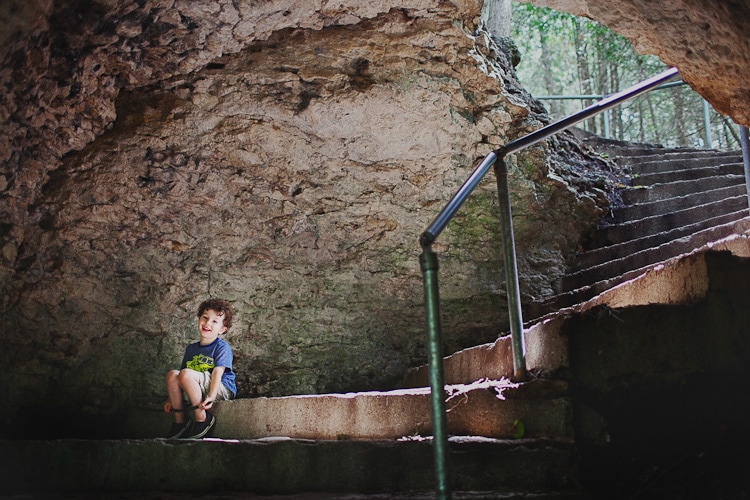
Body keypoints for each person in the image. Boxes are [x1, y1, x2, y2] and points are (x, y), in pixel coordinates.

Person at [163, 298, 237, 439]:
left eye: (214, 321)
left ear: (222, 329)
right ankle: (180, 422)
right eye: (205, 318)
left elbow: (217, 373)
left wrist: (211, 396)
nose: (208, 323)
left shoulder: (221, 347)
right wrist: (170, 399)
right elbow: (180, 376)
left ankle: (202, 418)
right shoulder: (191, 349)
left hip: (220, 387)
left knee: (185, 374)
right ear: (199, 319)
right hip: (195, 385)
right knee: (172, 374)